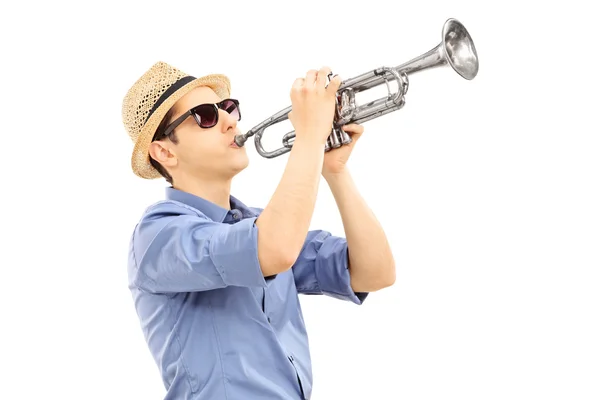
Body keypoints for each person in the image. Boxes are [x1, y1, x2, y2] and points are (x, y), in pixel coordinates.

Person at [121, 61, 396, 400]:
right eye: (206, 116)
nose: (230, 121)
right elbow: (274, 249)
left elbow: (375, 272)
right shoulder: (158, 235)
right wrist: (309, 136)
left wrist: (335, 171)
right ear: (164, 151)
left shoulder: (261, 223)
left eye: (228, 107)